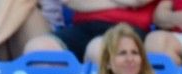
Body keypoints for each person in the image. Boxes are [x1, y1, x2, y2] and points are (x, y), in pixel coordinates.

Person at [24, 0, 158, 64]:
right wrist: (123, 3)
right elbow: (70, 2)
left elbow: (136, 1)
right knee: (38, 49)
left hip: (128, 28)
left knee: (99, 49)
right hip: (82, 27)